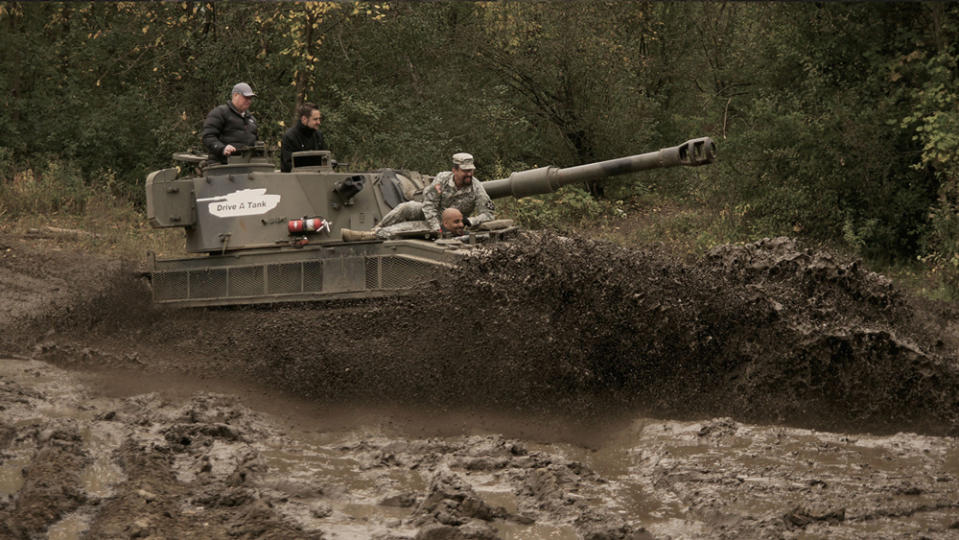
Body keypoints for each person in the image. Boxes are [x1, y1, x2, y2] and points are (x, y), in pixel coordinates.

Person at [377, 152, 494, 232]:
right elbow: (429, 205)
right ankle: (376, 229)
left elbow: (488, 214)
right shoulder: (442, 179)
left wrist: (470, 221)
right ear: (454, 170)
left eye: (471, 170)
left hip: (452, 224)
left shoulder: (477, 187)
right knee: (406, 207)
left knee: (398, 230)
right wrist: (437, 228)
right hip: (432, 217)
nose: (469, 174)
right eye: (465, 171)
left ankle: (382, 232)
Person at [201, 82, 258, 164]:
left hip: (246, 166)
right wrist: (223, 148)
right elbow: (208, 137)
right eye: (246, 97)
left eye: (250, 98)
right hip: (222, 165)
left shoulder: (251, 119)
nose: (249, 101)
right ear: (235, 95)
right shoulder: (220, 113)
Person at [342, 208, 466, 242]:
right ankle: (367, 235)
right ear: (445, 223)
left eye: (461, 221)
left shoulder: (463, 233)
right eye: (456, 222)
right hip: (430, 227)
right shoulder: (429, 226)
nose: (461, 225)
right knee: (405, 228)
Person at [280, 102, 327, 172]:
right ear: (304, 119)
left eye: (319, 119)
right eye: (315, 119)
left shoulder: (318, 136)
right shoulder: (290, 137)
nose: (319, 122)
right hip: (295, 180)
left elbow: (325, 159)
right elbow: (288, 165)